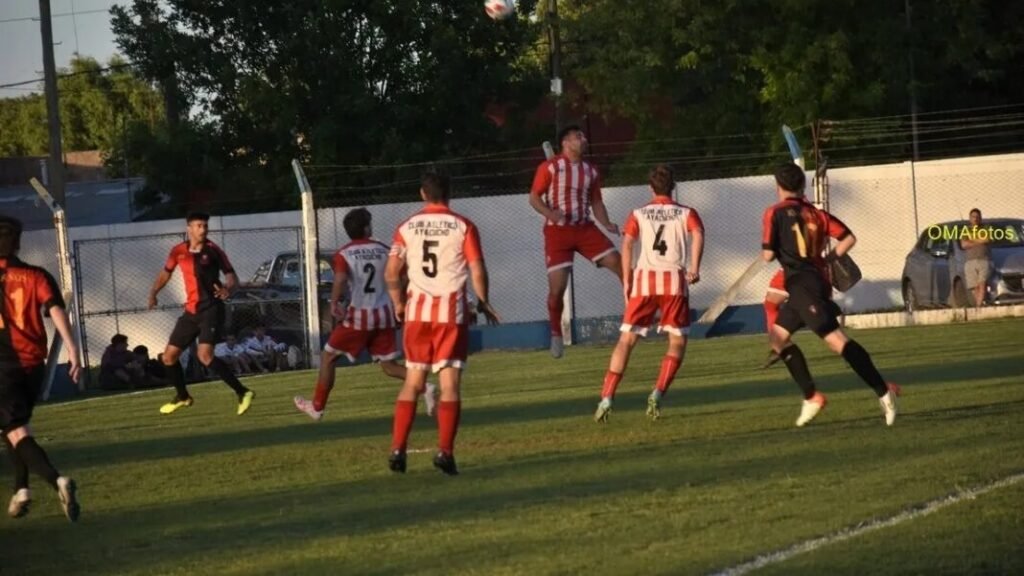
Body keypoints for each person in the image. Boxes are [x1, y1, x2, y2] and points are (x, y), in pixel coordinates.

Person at [762, 163, 900, 427]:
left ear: (778, 186)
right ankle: (811, 397)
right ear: (802, 186)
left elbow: (768, 255)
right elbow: (848, 238)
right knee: (777, 339)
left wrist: (777, 249)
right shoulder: (817, 214)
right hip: (810, 283)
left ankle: (884, 391)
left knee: (836, 341)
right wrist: (826, 259)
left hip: (803, 286)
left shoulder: (773, 212)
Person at [384, 173, 500, 475]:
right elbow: (477, 267)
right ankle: (445, 452)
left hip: (416, 314)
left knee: (413, 382)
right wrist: (483, 301)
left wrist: (398, 303)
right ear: (450, 193)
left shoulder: (406, 227)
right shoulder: (463, 225)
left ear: (423, 194)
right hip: (450, 314)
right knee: (449, 385)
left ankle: (398, 448)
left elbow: (391, 272)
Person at [294, 208, 438, 421]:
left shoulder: (343, 253)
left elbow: (341, 279)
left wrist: (334, 302)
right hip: (385, 315)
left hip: (360, 317)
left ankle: (317, 407)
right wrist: (399, 298)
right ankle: (425, 386)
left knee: (328, 356)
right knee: (389, 366)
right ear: (366, 228)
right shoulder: (383, 249)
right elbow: (405, 275)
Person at [594, 165, 704, 422]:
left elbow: (628, 242)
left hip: (644, 281)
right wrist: (694, 268)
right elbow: (698, 233)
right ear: (673, 187)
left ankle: (607, 397)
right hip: (674, 282)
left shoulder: (638, 214)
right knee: (676, 342)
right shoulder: (686, 213)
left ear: (650, 188)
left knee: (626, 341)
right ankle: (657, 393)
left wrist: (627, 280)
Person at [0, 215, 81, 522]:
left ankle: (56, 480)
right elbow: (56, 310)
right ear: (17, 242)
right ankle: (21, 490)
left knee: (14, 429)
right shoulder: (36, 275)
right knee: (15, 427)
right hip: (34, 365)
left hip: (3, 366)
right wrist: (72, 349)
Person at [148, 211, 255, 415]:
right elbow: (166, 272)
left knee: (205, 356)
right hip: (191, 312)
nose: (203, 229)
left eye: (205, 226)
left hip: (211, 310)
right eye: (198, 226)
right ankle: (183, 396)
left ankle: (243, 392)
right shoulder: (178, 251)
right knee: (168, 357)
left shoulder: (213, 250)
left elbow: (233, 278)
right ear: (189, 228)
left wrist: (228, 289)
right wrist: (154, 292)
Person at [529, 125, 622, 359]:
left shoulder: (590, 170)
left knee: (619, 263)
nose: (583, 139)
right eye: (578, 136)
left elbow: (596, 202)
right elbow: (534, 197)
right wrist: (551, 214)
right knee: (557, 290)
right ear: (566, 143)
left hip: (585, 228)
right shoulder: (549, 167)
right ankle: (556, 332)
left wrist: (607, 224)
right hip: (557, 232)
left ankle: (638, 313)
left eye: (583, 135)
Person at [961, 208, 992, 307]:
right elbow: (964, 245)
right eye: (973, 217)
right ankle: (980, 304)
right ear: (970, 218)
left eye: (977, 217)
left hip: (983, 260)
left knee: (982, 284)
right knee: (974, 287)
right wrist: (978, 241)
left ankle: (978, 308)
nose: (975, 219)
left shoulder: (985, 229)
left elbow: (986, 239)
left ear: (980, 218)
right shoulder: (966, 230)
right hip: (970, 261)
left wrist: (972, 241)